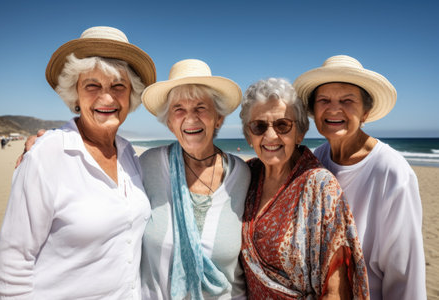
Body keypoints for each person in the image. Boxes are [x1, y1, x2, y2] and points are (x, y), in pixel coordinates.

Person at [0, 26, 156, 299]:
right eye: (92, 85)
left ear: (131, 95)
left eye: (118, 85)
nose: (107, 97)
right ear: (75, 94)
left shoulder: (130, 156)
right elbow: (13, 265)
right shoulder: (46, 155)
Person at [294, 55, 426, 299]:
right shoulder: (314, 162)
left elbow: (406, 275)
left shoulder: (392, 171)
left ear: (366, 112)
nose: (334, 108)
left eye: (347, 100)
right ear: (313, 111)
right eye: (324, 100)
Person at [239, 78, 369, 299]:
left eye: (282, 125)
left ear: (299, 132)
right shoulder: (246, 175)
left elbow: (337, 291)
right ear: (249, 136)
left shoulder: (320, 186)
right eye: (259, 126)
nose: (270, 136)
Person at [138, 58, 251, 299]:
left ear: (218, 118)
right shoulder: (147, 165)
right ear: (169, 122)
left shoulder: (243, 175)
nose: (190, 118)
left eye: (201, 107)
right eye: (179, 109)